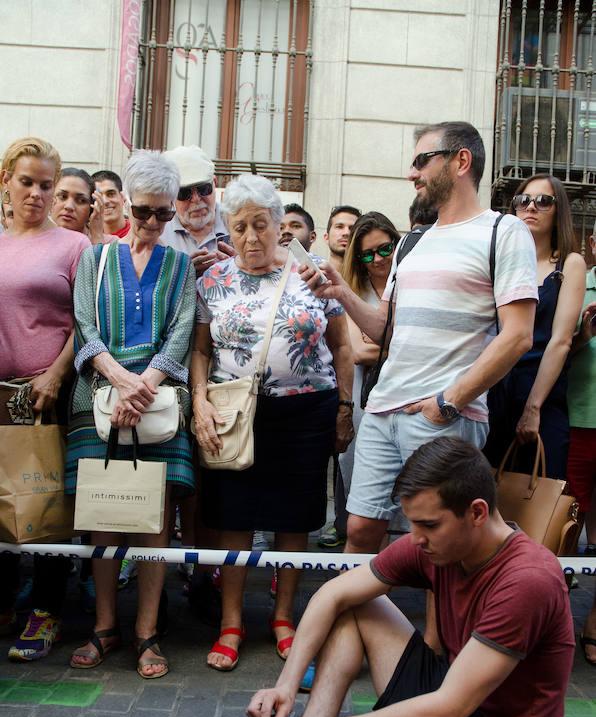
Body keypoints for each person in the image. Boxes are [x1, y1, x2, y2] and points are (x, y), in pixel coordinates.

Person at [94, 437, 575, 717]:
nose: (416, 539)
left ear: (475, 512)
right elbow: (332, 593)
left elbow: (449, 710)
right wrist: (286, 686)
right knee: (355, 599)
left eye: (428, 525)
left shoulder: (526, 580)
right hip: (446, 694)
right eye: (410, 525)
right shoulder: (437, 544)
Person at [303, 121, 539, 557]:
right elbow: (385, 330)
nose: (412, 174)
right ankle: (356, 626)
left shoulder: (503, 231)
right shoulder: (412, 242)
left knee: (442, 545)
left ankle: (437, 631)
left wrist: (447, 402)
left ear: (460, 161)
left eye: (421, 161)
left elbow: (519, 337)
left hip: (443, 415)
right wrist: (340, 291)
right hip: (381, 409)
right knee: (359, 531)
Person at [192, 174, 354, 671]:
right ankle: (232, 622)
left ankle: (285, 619)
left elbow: (343, 346)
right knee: (233, 519)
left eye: (260, 225)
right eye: (238, 228)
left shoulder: (312, 273)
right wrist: (199, 401)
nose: (250, 238)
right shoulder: (211, 282)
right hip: (235, 412)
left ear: (279, 225)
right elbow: (200, 351)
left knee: (295, 518)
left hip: (307, 411)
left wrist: (345, 407)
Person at [65, 149, 196, 679]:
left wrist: (144, 385)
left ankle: (146, 631)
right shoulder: (94, 259)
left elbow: (183, 330)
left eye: (165, 214)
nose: (153, 223)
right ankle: (103, 626)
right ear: (125, 205)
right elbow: (83, 326)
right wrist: (119, 380)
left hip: (157, 400)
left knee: (155, 524)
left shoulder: (182, 265)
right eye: (145, 211)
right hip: (100, 395)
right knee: (102, 519)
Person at [0, 137, 90, 659]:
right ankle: (4, 602)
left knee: (49, 505)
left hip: (45, 396)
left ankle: (47, 613)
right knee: (1, 500)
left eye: (45, 185)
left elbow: (85, 324)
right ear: (6, 183)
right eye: (27, 182)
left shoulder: (72, 247)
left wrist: (55, 375)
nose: (36, 193)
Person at [484, 175, 586, 478]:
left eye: (543, 201)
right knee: (485, 495)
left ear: (558, 211)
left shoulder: (569, 264)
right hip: (492, 387)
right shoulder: (499, 261)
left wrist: (533, 407)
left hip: (540, 389)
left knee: (539, 495)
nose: (531, 207)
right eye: (523, 200)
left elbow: (560, 341)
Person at [320, 212, 401, 549]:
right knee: (363, 487)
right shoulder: (352, 289)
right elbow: (354, 351)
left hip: (404, 397)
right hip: (362, 398)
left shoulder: (408, 282)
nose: (378, 259)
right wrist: (395, 342)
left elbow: (376, 346)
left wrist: (379, 343)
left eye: (385, 249)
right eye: (367, 254)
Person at [566, 220, 596, 663]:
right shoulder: (577, 285)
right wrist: (581, 337)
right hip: (577, 421)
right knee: (565, 527)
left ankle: (593, 625)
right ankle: (552, 623)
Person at [161, 144, 233, 276]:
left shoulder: (237, 222)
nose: (196, 199)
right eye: (184, 193)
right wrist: (183, 275)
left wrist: (241, 266)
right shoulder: (158, 233)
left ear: (214, 183)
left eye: (203, 189)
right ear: (170, 195)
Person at [52, 167, 114, 246]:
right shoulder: (34, 237)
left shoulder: (112, 245)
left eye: (81, 200)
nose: (69, 206)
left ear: (92, 208)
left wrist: (97, 238)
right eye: (63, 197)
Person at [91, 169, 130, 238]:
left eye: (111, 194)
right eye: (98, 196)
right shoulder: (86, 238)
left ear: (122, 197)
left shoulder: (137, 234)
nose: (105, 201)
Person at [323, 205, 360, 270]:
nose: (346, 233)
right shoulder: (312, 276)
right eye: (339, 227)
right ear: (326, 237)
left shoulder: (372, 279)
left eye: (352, 228)